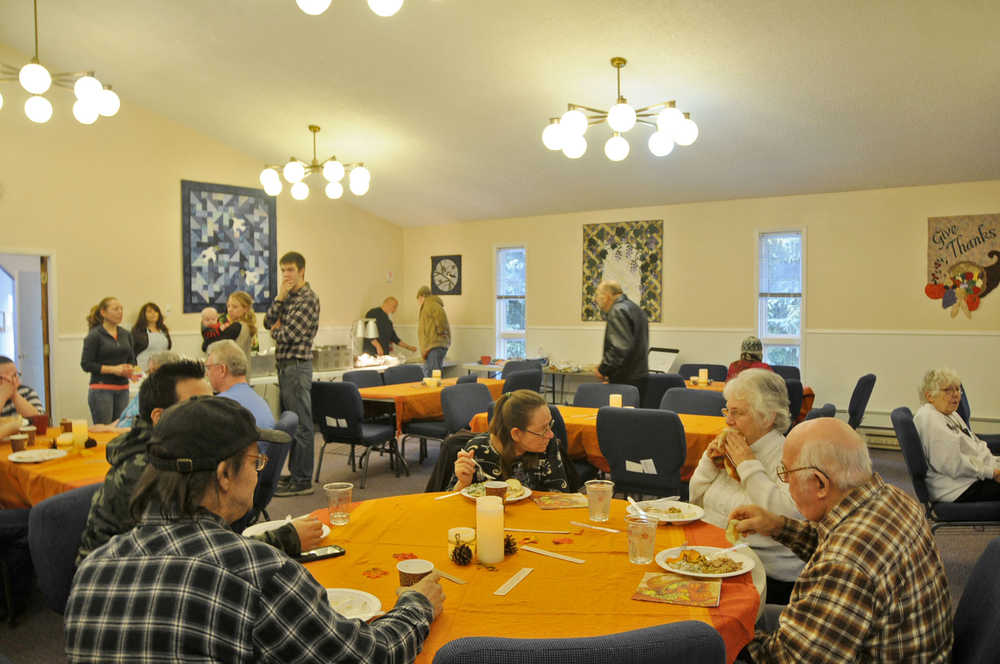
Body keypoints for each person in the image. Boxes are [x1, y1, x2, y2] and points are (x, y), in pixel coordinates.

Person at [65, 396, 444, 663]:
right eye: (255, 461)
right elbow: (370, 656)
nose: (260, 471)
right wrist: (418, 606)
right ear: (224, 475)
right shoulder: (256, 572)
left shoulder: (92, 569)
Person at [731, 418, 952, 662]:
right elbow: (835, 543)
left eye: (786, 473)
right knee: (750, 616)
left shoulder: (845, 563)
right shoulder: (893, 497)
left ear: (820, 483)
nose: (786, 482)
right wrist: (778, 526)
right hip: (917, 648)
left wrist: (724, 642)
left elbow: (789, 659)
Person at [77, 361, 319, 565]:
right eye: (196, 405)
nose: (212, 412)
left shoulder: (176, 453)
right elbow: (201, 552)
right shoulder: (159, 469)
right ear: (159, 418)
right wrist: (284, 539)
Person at [688, 368, 803, 604]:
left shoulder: (788, 455)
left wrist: (747, 464)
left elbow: (787, 516)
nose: (728, 421)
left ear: (767, 417)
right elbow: (694, 501)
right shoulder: (731, 443)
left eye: (737, 413)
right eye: (727, 411)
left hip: (764, 575)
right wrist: (708, 464)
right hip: (714, 557)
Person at [266, 251, 320, 497]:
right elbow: (268, 322)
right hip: (285, 364)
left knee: (302, 425)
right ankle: (295, 473)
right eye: (283, 270)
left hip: (297, 366)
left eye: (290, 270)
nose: (286, 274)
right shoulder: (287, 297)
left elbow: (290, 335)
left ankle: (303, 479)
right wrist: (278, 299)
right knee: (292, 422)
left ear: (302, 271)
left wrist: (278, 330)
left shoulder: (308, 298)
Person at [451, 389, 570, 492]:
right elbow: (449, 503)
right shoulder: (476, 450)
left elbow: (560, 495)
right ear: (516, 434)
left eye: (550, 425)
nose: (550, 434)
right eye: (543, 429)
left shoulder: (548, 444)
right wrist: (463, 483)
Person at [914, 367, 1000, 502]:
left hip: (969, 479)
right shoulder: (929, 419)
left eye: (957, 389)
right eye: (948, 390)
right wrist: (992, 472)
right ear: (930, 396)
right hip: (958, 489)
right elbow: (953, 464)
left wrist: (995, 463)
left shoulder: (951, 414)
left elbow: (975, 444)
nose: (955, 394)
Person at [80, 296, 136, 424]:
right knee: (104, 430)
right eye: (115, 309)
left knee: (120, 428)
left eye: (121, 309)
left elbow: (132, 360)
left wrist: (129, 369)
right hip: (101, 389)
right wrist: (113, 370)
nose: (120, 312)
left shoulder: (126, 334)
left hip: (123, 389)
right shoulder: (95, 335)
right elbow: (86, 364)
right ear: (103, 312)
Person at [591, 280, 649, 400]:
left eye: (597, 295)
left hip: (624, 379)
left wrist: (603, 370)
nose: (596, 300)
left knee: (620, 416)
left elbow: (619, 349)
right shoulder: (635, 308)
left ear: (606, 296)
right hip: (639, 376)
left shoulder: (618, 310)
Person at [113, 350, 181, 429]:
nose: (149, 375)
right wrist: (106, 427)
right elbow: (125, 417)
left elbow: (145, 430)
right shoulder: (146, 390)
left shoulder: (169, 397)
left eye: (154, 371)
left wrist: (112, 430)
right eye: (149, 371)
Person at [0, 356, 43, 439]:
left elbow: (39, 421)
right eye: (1, 378)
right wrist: (3, 396)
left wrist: (15, 395)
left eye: (14, 376)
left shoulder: (27, 392)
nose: (10, 381)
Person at [416, 285, 450, 377]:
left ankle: (436, 391)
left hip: (434, 345)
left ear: (422, 296)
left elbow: (441, 321)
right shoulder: (431, 305)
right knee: (433, 374)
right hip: (432, 346)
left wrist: (441, 332)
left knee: (433, 376)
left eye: (418, 298)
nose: (418, 302)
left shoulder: (431, 304)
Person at [131, 302, 172, 372]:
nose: (153, 314)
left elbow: (168, 348)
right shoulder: (137, 331)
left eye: (156, 311)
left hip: (161, 368)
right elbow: (132, 352)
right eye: (149, 312)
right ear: (143, 315)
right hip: (143, 368)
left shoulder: (163, 329)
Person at [225, 290, 259, 358]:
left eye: (235, 307)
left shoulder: (237, 326)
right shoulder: (247, 325)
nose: (230, 310)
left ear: (245, 309)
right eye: (228, 306)